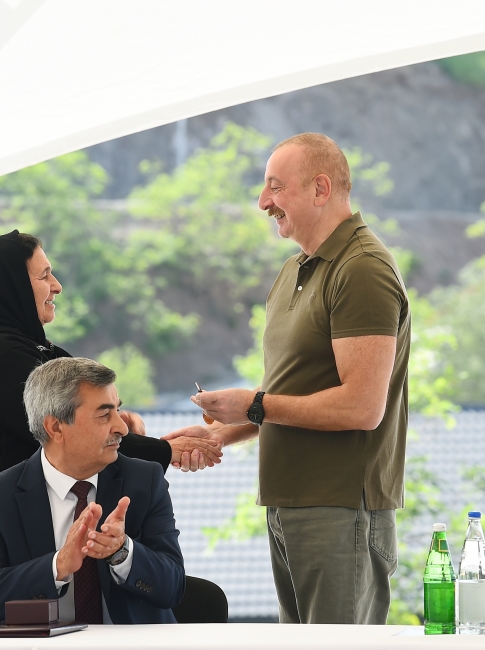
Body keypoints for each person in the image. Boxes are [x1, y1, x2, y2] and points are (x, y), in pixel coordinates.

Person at [166, 133, 410, 625]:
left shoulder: (361, 268)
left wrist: (253, 405)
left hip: (340, 510)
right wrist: (222, 432)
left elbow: (362, 406)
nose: (263, 202)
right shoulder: (295, 269)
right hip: (289, 506)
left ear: (321, 189)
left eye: (276, 187)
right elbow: (295, 394)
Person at [0, 231, 219, 624]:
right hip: (7, 545)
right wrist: (167, 450)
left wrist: (127, 429)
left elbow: (81, 420)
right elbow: (77, 432)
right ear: (9, 286)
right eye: (43, 276)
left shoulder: (13, 348)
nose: (57, 286)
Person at [0, 357, 184, 624]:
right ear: (55, 427)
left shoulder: (145, 480)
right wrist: (57, 566)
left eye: (118, 410)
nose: (122, 428)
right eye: (104, 415)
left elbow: (174, 588)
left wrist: (122, 552)